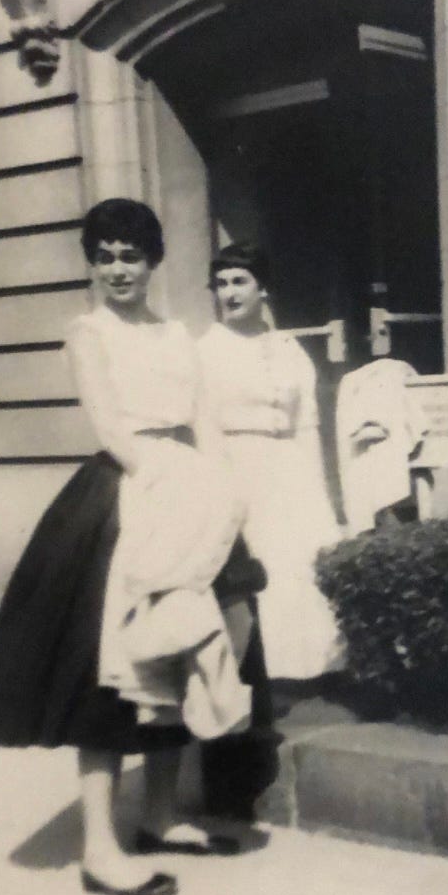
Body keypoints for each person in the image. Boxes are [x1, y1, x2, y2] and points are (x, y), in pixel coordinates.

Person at [0, 199, 274, 895]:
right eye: (103, 256)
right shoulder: (88, 332)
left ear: (152, 261)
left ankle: (160, 817)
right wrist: (169, 485)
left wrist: (224, 492)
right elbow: (111, 426)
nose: (117, 269)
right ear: (92, 263)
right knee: (113, 671)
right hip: (129, 495)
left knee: (182, 651)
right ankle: (100, 849)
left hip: (188, 490)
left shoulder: (177, 337)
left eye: (130, 255)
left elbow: (204, 419)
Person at [197, 242, 344, 682]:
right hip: (237, 464)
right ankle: (265, 670)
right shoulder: (205, 350)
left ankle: (313, 666)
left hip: (290, 465)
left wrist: (316, 485)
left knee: (300, 557)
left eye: (239, 281)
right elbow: (202, 425)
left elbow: (307, 424)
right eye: (221, 284)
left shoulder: (289, 349)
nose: (229, 293)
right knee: (259, 561)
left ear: (263, 289)